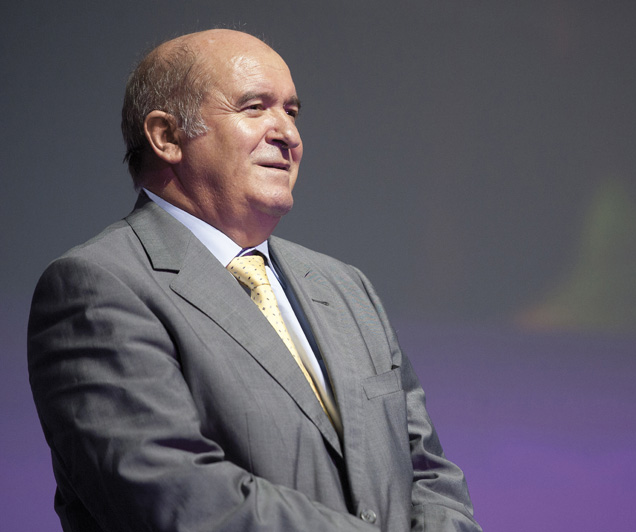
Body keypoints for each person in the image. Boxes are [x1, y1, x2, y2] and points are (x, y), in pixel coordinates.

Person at [27, 29, 481, 532]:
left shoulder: (346, 288)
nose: (288, 133)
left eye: (292, 111)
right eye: (255, 107)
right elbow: (178, 497)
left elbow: (429, 473)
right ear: (167, 137)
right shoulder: (99, 287)